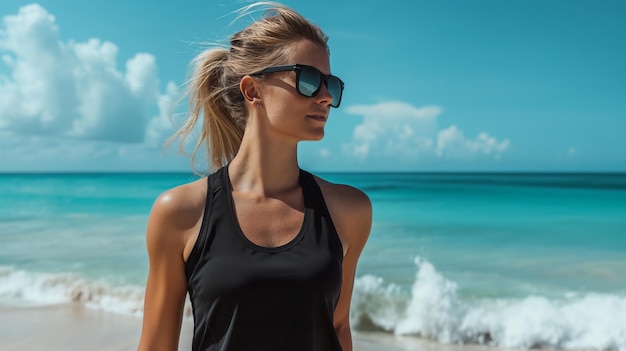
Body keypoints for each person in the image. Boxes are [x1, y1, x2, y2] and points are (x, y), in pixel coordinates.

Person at [137, 2, 371, 350]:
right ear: (252, 91)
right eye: (307, 80)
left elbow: (338, 328)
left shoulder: (349, 210)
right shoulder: (179, 213)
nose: (325, 96)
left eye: (331, 84)